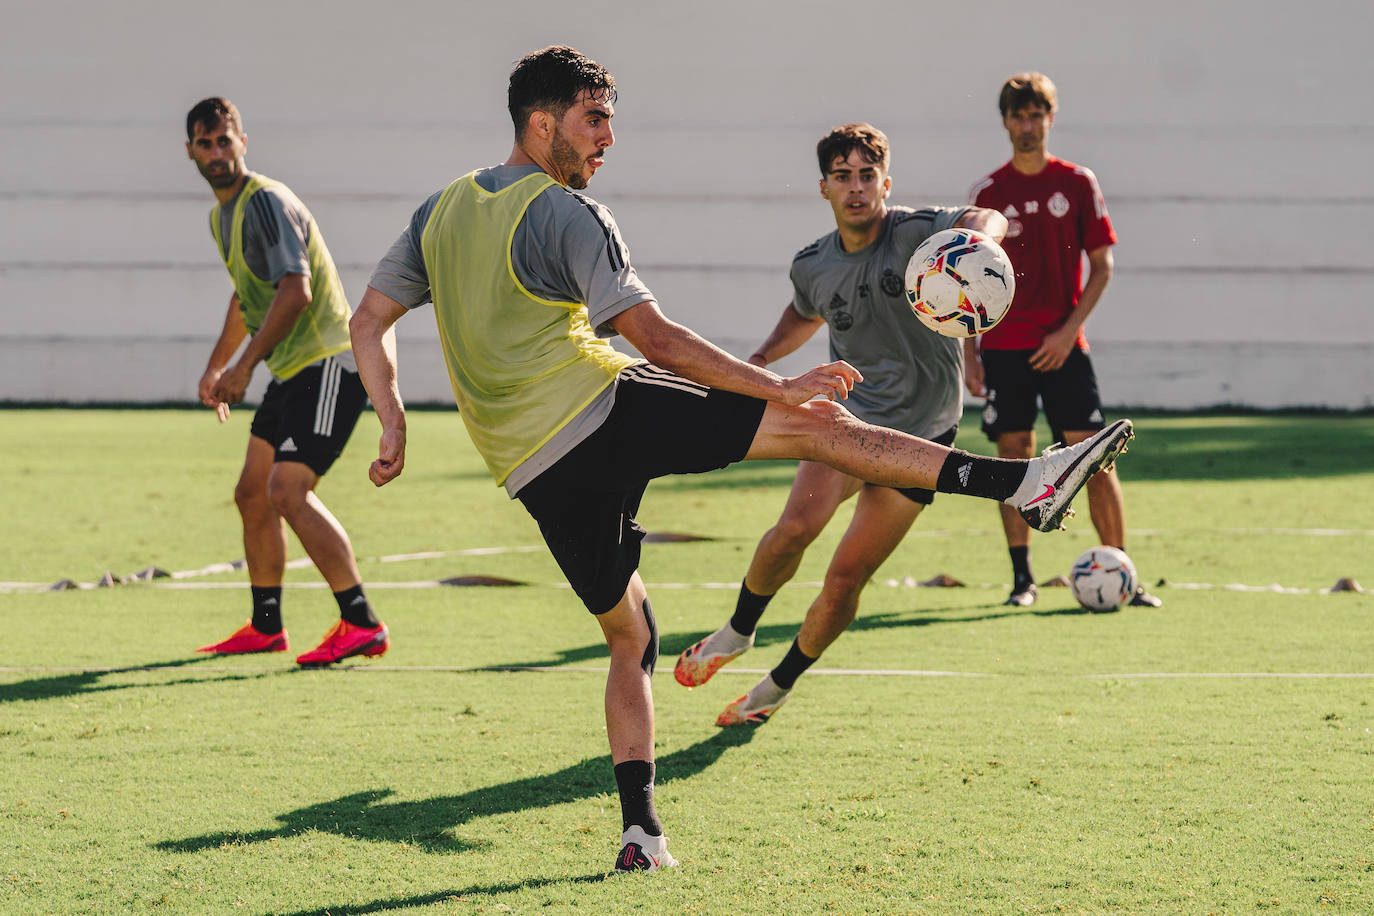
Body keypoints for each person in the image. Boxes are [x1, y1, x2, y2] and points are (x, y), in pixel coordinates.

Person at [348, 46, 1133, 872]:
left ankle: (642, 833)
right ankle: (1025, 484)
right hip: (601, 407)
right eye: (594, 119)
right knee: (811, 423)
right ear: (542, 123)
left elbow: (369, 322)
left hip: (530, 469)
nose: (610, 136)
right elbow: (653, 338)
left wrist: (393, 418)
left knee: (632, 637)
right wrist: (776, 387)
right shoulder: (571, 214)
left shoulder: (438, 212)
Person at [673, 124, 1009, 727]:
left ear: (886, 182)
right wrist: (761, 361)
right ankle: (738, 631)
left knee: (847, 576)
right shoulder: (813, 264)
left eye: (866, 175)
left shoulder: (917, 233)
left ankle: (777, 685)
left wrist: (975, 241)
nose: (856, 188)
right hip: (848, 423)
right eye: (842, 176)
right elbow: (804, 311)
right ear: (823, 187)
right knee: (793, 529)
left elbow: (987, 215)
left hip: (926, 436)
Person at [184, 97, 390, 666]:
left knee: (287, 490)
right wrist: (218, 365)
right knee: (252, 492)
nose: (217, 152)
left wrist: (244, 368)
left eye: (225, 140)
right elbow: (246, 295)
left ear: (242, 141)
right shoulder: (220, 217)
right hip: (292, 368)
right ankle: (267, 625)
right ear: (191, 152)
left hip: (328, 364)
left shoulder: (266, 203)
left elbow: (294, 291)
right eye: (206, 144)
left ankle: (361, 622)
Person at [965, 73, 1161, 609]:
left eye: (1036, 115)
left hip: (1064, 347)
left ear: (1051, 119)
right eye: (1017, 116)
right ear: (1004, 121)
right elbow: (966, 283)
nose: (1027, 126)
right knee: (1013, 458)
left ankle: (1123, 574)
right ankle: (1022, 580)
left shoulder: (1076, 183)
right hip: (1004, 348)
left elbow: (1102, 265)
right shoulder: (988, 194)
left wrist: (1068, 331)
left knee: (1096, 457)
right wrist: (969, 354)